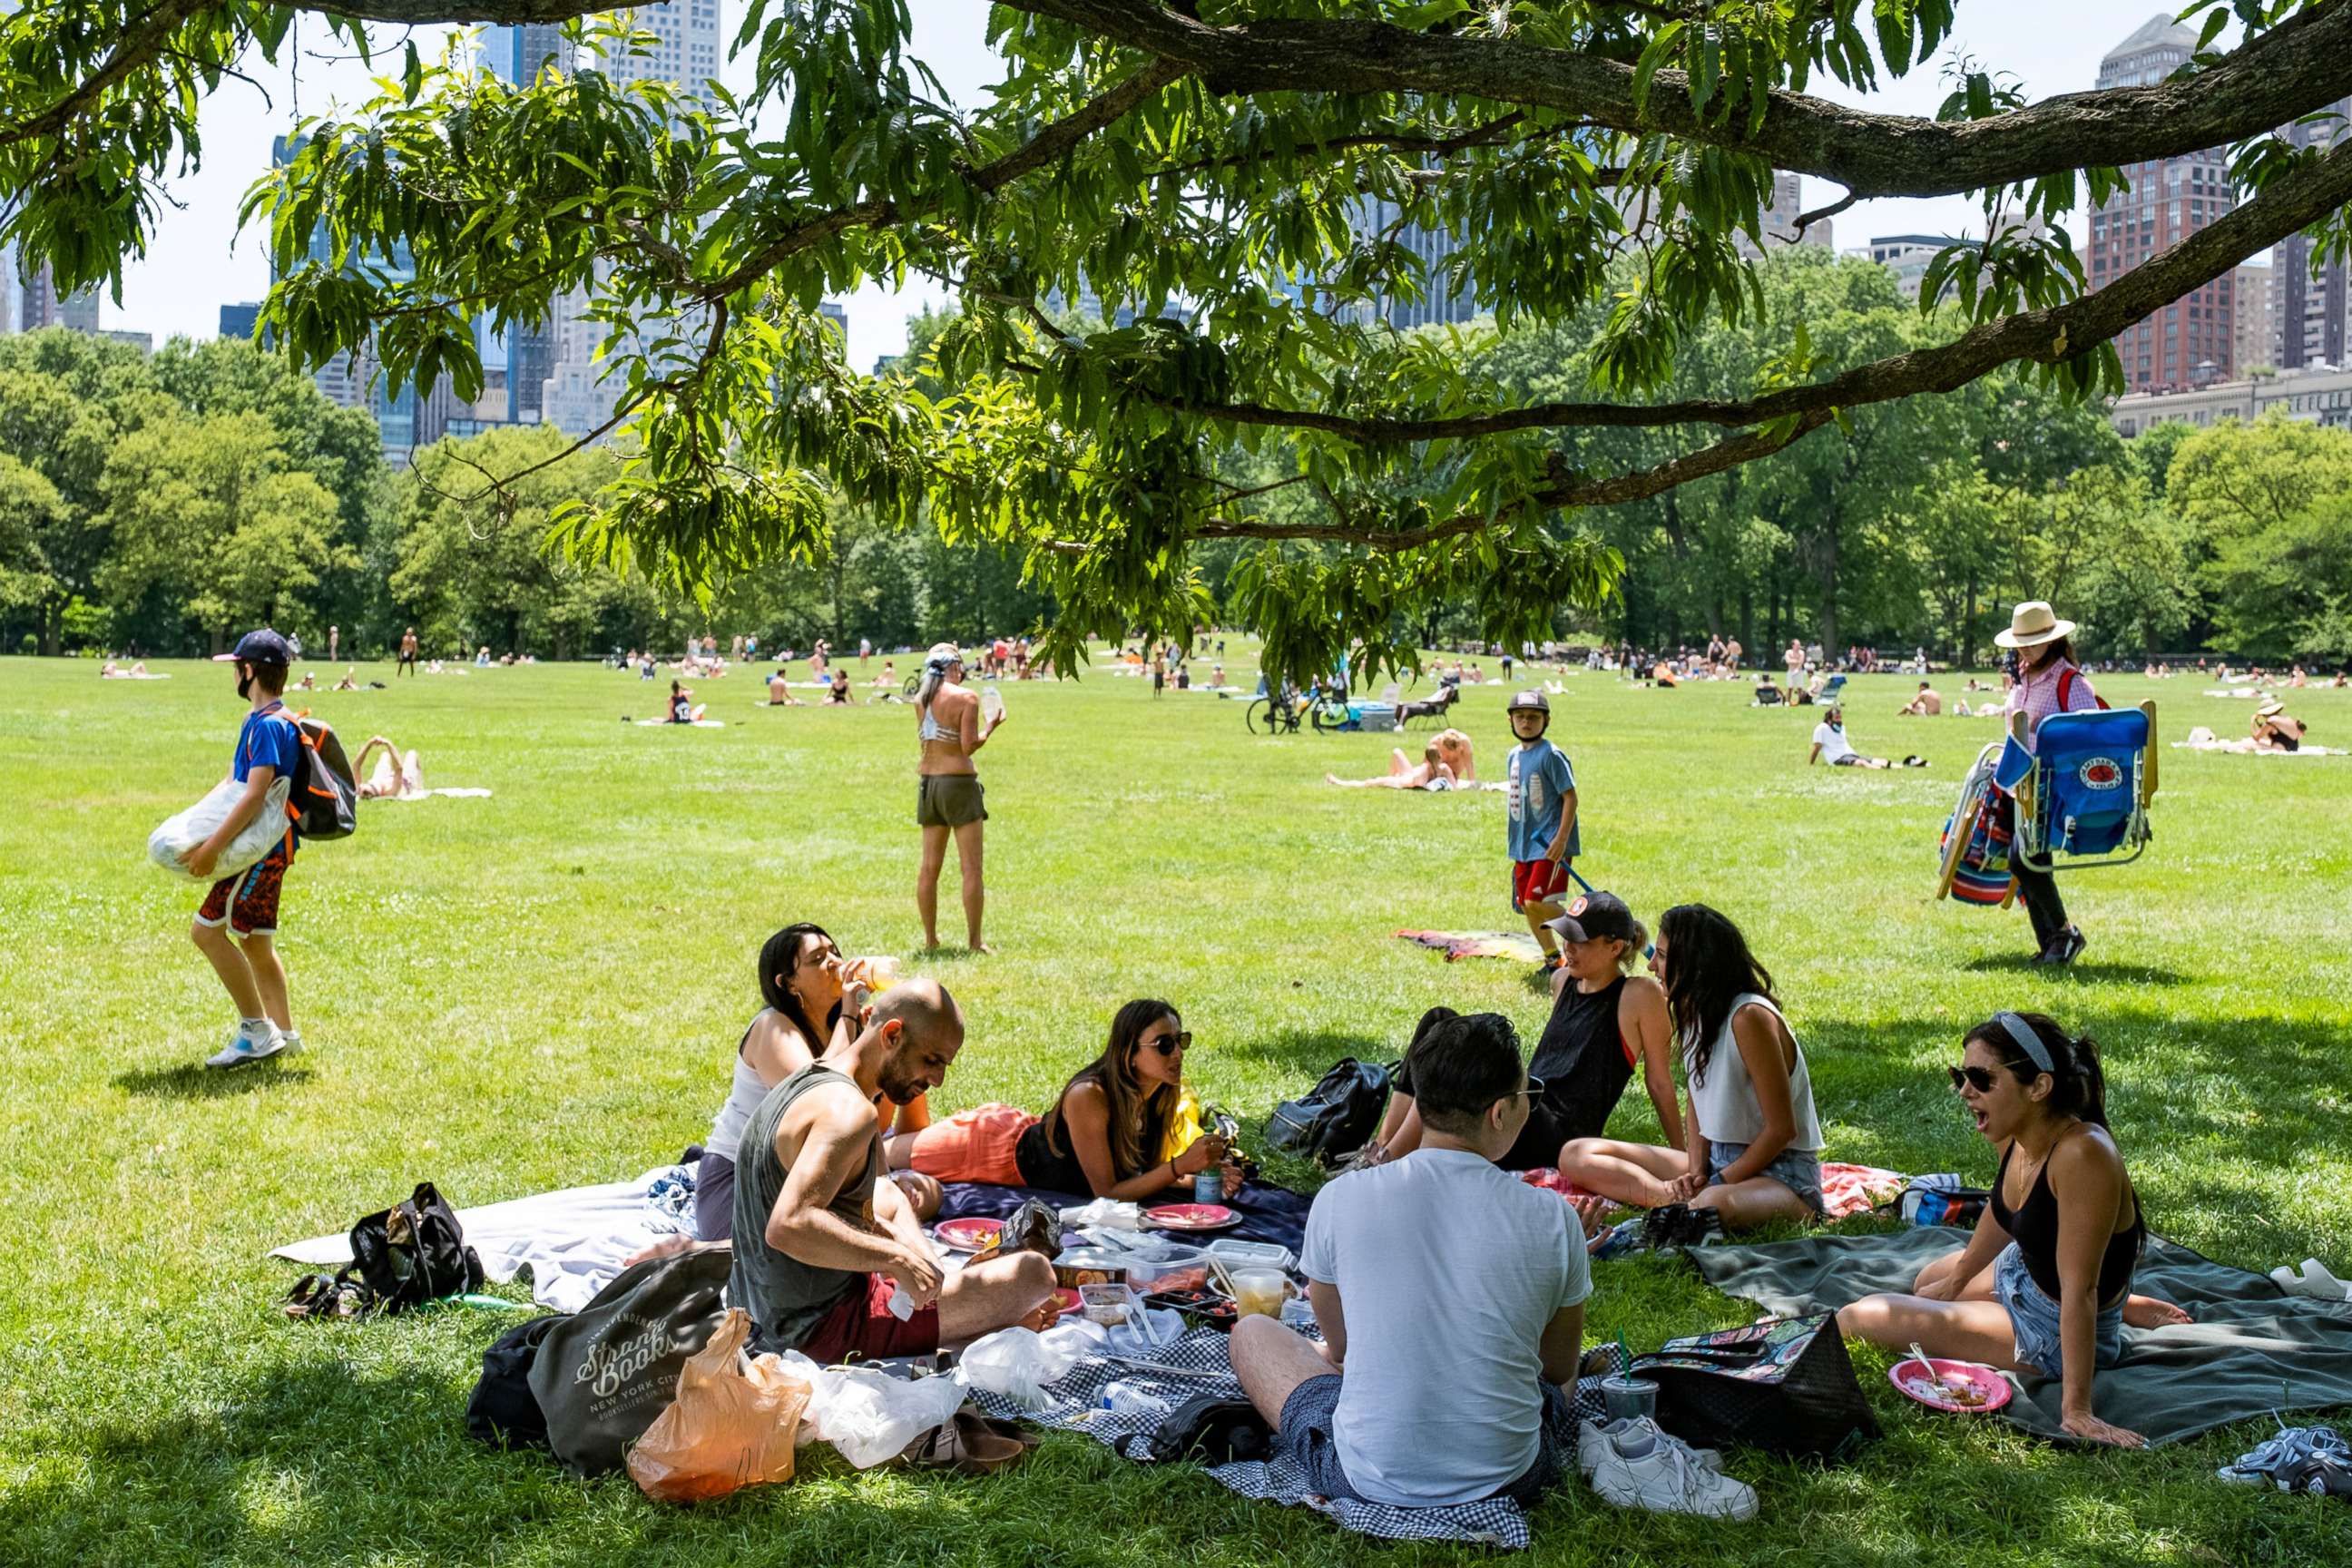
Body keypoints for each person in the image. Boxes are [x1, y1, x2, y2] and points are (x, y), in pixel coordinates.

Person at [1228, 1012, 1592, 1509]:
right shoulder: (1553, 1216)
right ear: (1499, 1113)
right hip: (1510, 1478)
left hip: (1366, 1476)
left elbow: (1342, 1349)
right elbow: (1557, 1370)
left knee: (1252, 1333)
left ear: (1421, 1102)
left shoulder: (1342, 1198)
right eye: (1529, 1096)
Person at [1836, 1012, 2190, 1448]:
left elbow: (2077, 1292)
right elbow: (2006, 1214)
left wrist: (2077, 1410)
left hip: (2054, 1327)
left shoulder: (2083, 1155)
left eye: (1981, 1079)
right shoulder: (2019, 1132)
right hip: (2024, 1271)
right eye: (1960, 1076)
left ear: (2039, 1087)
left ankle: (2113, 1313)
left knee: (1858, 1317)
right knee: (1928, 1281)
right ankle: (2126, 1301)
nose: (1965, 1091)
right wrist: (1958, 1281)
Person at [730, 981, 1057, 1359]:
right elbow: (789, 1224)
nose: (937, 1080)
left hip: (757, 1314)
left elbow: (835, 1209)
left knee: (887, 1191)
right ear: (892, 1034)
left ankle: (940, 1289)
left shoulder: (812, 1078)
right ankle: (962, 1314)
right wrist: (896, 1259)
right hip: (817, 1332)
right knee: (1034, 1274)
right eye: (931, 1061)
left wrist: (906, 1256)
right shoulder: (850, 1114)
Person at [1558, 903, 1825, 1230]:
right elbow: (1698, 1101)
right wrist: (1697, 1170)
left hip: (1780, 1176)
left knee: (1713, 1204)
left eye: (1664, 956)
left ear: (1698, 965)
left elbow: (1782, 1129)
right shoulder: (1694, 1012)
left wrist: (1720, 1181)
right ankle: (1675, 1198)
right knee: (1576, 1153)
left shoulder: (1750, 1018)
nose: (1653, 965)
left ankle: (1693, 1204)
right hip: (1717, 1164)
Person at [1376, 892, 1681, 1173]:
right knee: (1439, 1022)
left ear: (1614, 947)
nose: (1568, 948)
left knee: (1451, 1067)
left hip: (1557, 1134)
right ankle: (1382, 1146)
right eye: (1565, 937)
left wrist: (1685, 1159)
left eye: (1579, 941)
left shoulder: (1638, 994)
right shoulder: (1562, 981)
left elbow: (1658, 1082)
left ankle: (1386, 1163)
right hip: (1521, 1108)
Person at [698, 924, 933, 1242]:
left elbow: (869, 1122)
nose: (835, 962)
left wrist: (884, 1184)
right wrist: (849, 1014)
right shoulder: (771, 1028)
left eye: (835, 951)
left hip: (807, 1174)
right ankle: (685, 1252)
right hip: (740, 1180)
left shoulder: (849, 1028)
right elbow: (821, 1094)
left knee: (926, 1196)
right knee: (780, 1252)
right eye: (818, 958)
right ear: (788, 983)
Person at [894, 998, 1244, 1200]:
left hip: (1024, 1137)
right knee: (882, 1152)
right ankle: (886, 1061)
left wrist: (1200, 1177)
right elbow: (1107, 1192)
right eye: (1164, 1045)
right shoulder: (1090, 1095)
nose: (1177, 1053)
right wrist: (1182, 1166)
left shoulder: (1160, 1094)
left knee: (900, 1142)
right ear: (1129, 1054)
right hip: (987, 1148)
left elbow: (1142, 1175)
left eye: (1180, 1041)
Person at [182, 629, 306, 1068]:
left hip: (258, 850)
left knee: (206, 931)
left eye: (237, 666)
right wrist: (193, 823)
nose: (234, 673)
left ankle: (257, 1031)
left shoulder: (270, 726)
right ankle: (286, 1036)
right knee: (254, 943)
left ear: (249, 671)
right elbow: (235, 785)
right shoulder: (263, 720)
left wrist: (212, 849)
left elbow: (254, 796)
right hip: (266, 848)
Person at [1997, 601, 2097, 965]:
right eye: (2021, 641)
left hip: (2052, 786)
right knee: (2029, 860)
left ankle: (2063, 934)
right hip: (2019, 782)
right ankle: (2053, 945)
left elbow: (2091, 733)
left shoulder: (2070, 681)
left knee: (2025, 859)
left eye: (2034, 640)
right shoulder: (2024, 674)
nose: (2026, 648)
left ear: (2054, 640)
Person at [914, 643, 1004, 951]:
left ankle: (930, 940)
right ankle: (975, 941)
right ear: (953, 667)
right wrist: (990, 727)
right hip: (959, 785)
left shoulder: (920, 699)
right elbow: (968, 746)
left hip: (929, 785)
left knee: (929, 868)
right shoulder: (966, 698)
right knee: (971, 868)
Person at [1504, 690, 1579, 977]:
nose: (1526, 722)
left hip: (1549, 844)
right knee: (1526, 905)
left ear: (1545, 720)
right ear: (1510, 719)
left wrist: (1561, 839)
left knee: (1539, 902)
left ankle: (1591, 927)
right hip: (1523, 844)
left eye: (1533, 717)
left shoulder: (1552, 755)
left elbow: (1570, 798)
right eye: (1520, 716)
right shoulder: (1513, 756)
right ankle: (1552, 960)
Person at [1808, 705, 1920, 769]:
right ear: (1829, 719)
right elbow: (1817, 748)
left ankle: (1902, 766)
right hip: (1837, 758)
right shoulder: (1821, 728)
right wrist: (1811, 764)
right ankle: (1881, 770)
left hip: (1850, 754)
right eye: (1836, 718)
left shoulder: (1842, 728)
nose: (1839, 720)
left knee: (1878, 760)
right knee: (1862, 763)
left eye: (1840, 717)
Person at [1327, 741, 1458, 791]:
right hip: (1406, 777)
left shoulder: (1426, 768)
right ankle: (1392, 774)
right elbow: (1454, 786)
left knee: (1368, 783)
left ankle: (1339, 782)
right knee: (1396, 752)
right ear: (1440, 756)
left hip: (1403, 780)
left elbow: (1417, 784)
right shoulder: (1443, 769)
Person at [352, 736, 425, 801]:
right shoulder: (390, 791)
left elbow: (356, 766)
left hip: (384, 778)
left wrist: (370, 744)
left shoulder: (361, 788)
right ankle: (419, 786)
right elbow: (399, 769)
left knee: (385, 756)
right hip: (405, 780)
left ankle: (419, 787)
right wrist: (389, 744)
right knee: (412, 754)